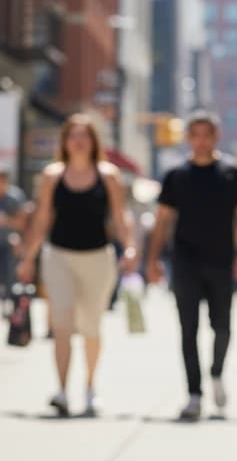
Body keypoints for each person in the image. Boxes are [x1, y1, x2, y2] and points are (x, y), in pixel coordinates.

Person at [16, 114, 136, 416]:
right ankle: (61, 390)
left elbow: (120, 216)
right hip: (58, 256)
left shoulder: (108, 175)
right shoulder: (52, 175)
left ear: (94, 141)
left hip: (98, 258)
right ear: (65, 141)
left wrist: (130, 247)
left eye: (85, 135)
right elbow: (42, 218)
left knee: (91, 326)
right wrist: (28, 257)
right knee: (62, 324)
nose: (79, 141)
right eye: (73, 135)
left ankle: (91, 387)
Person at [146, 110, 237, 420]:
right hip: (185, 261)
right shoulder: (176, 176)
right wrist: (152, 259)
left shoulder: (232, 173)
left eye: (207, 134)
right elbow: (162, 220)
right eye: (196, 135)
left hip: (221, 260)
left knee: (222, 327)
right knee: (188, 329)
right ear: (188, 138)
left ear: (216, 136)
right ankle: (194, 394)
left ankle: (216, 374)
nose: (202, 140)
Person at [0, 165, 27, 302]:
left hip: (10, 243)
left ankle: (11, 302)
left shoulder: (16, 197)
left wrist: (6, 220)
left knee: (10, 277)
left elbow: (23, 223)